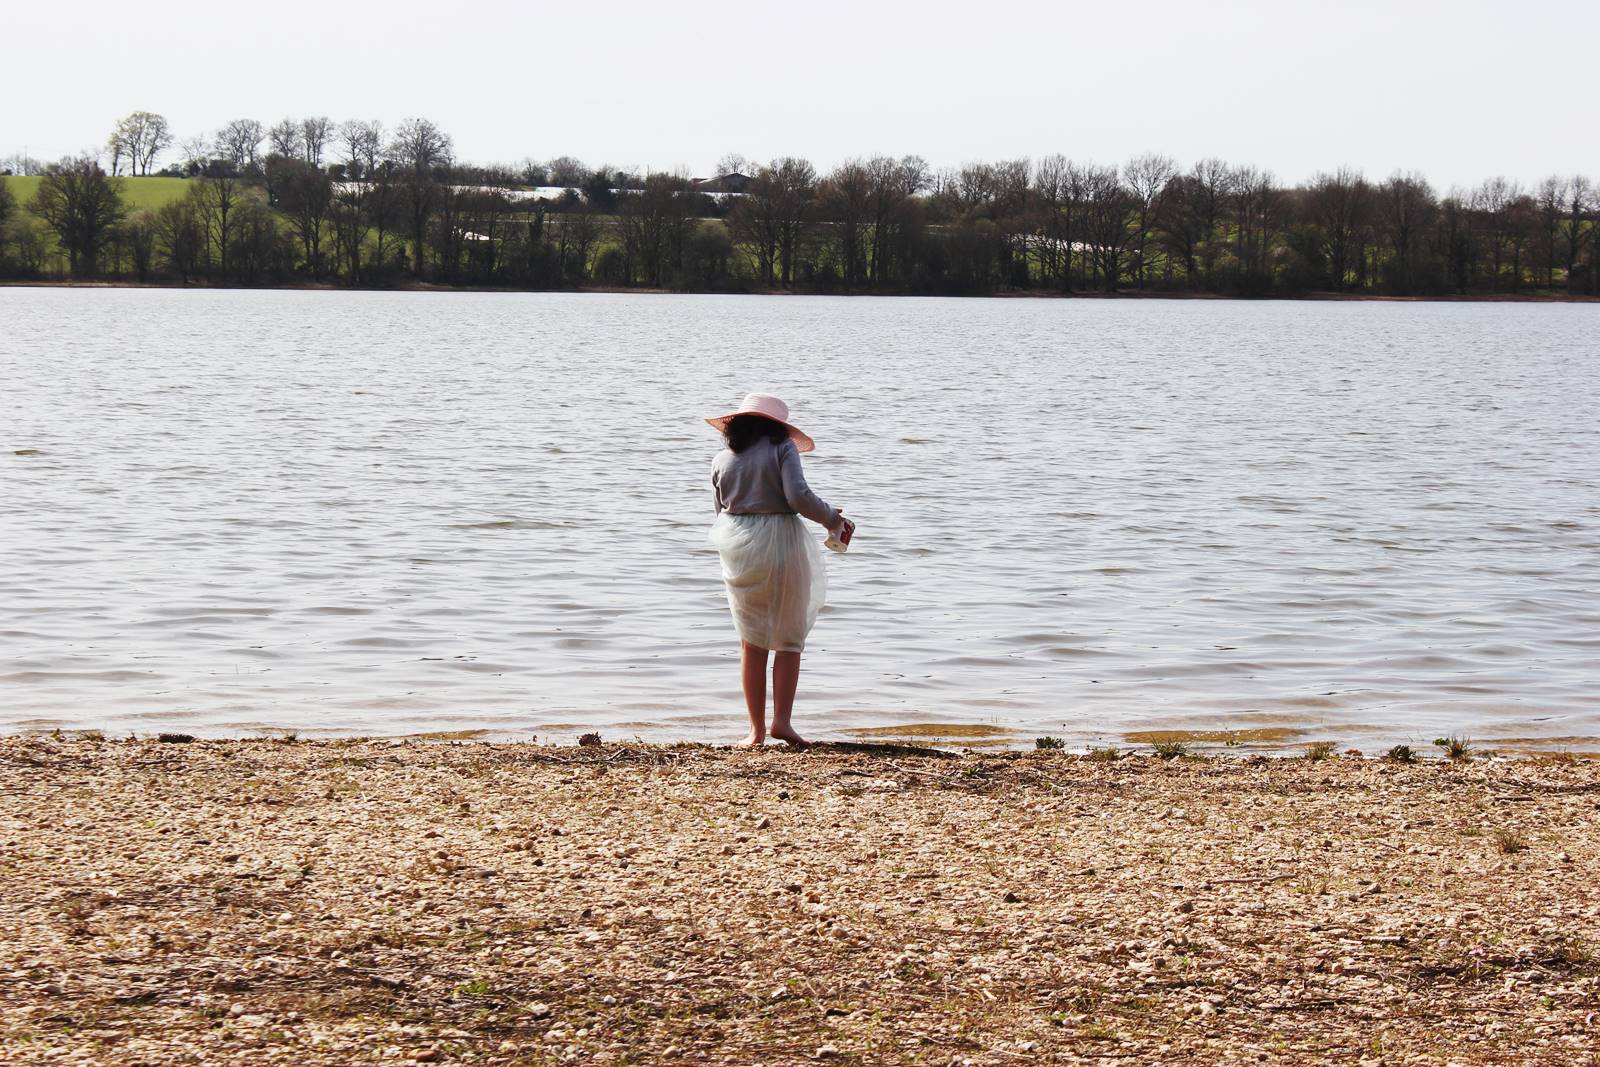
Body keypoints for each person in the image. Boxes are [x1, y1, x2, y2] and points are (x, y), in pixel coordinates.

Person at [705, 393, 849, 747]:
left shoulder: (721, 459)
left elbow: (719, 511)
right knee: (788, 636)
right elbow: (797, 496)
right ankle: (781, 723)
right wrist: (833, 518)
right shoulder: (782, 449)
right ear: (777, 427)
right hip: (780, 539)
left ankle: (754, 731)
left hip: (737, 544)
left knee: (751, 640)